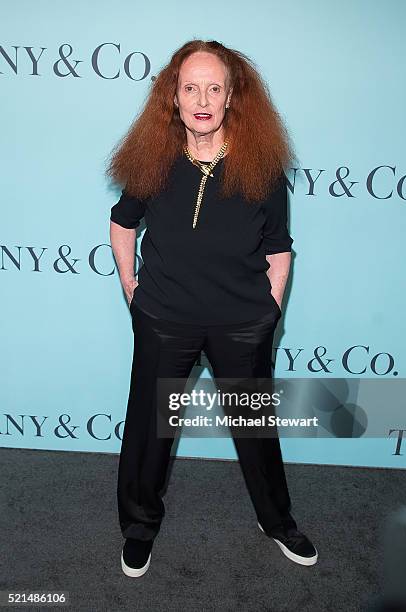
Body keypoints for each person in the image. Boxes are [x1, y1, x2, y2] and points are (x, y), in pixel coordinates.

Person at [107, 39, 318, 578]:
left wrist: (268, 311)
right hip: (165, 318)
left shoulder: (263, 168)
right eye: (190, 87)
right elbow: (123, 221)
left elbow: (278, 249)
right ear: (172, 98)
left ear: (231, 98)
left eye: (214, 87)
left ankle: (277, 521)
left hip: (241, 323)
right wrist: (134, 290)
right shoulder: (151, 159)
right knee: (149, 429)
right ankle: (138, 528)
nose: (202, 99)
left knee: (254, 430)